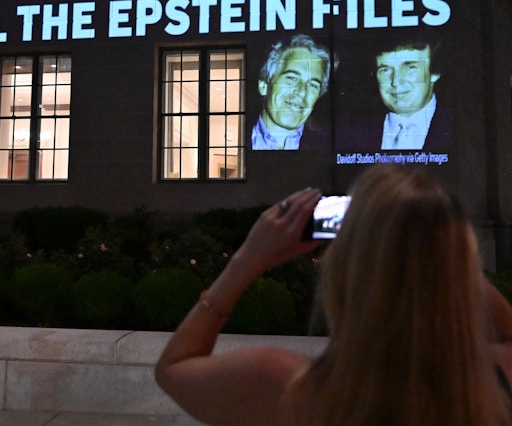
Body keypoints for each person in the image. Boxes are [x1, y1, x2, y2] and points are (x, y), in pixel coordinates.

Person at [155, 165, 512, 426]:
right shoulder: (494, 384)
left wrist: (248, 258)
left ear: (343, 271)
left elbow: (173, 369)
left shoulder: (283, 386)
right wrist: (432, 251)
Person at [252, 35, 337, 150]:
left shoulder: (329, 148)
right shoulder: (238, 137)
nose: (302, 92)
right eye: (292, 78)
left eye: (313, 85)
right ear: (264, 86)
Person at [373, 39, 450, 150]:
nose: (396, 82)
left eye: (410, 67)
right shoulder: (350, 134)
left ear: (435, 73)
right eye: (385, 70)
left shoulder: (462, 130)